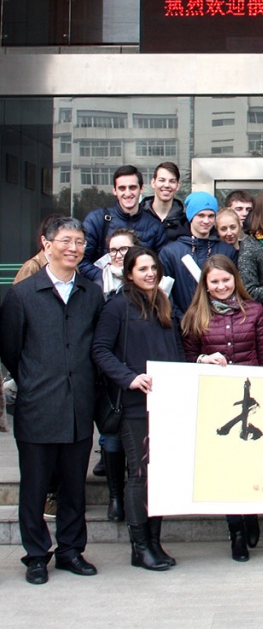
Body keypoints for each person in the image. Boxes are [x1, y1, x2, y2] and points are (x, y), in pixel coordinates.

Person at [0, 217, 104, 585]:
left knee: (73, 485)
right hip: (37, 406)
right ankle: (35, 556)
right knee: (35, 486)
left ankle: (71, 550)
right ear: (46, 244)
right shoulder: (23, 294)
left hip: (78, 406)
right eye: (65, 241)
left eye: (79, 241)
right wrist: (34, 380)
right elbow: (11, 350)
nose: (73, 248)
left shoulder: (92, 293)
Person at [92, 247, 184, 571]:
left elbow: (175, 350)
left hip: (165, 401)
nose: (149, 273)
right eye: (142, 268)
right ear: (128, 272)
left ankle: (155, 543)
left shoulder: (163, 303)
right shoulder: (117, 306)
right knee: (140, 474)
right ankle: (139, 546)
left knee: (157, 477)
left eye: (153, 268)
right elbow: (100, 350)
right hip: (133, 405)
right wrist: (129, 378)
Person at [182, 255, 263, 562]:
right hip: (218, 403)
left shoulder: (255, 311)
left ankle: (251, 515)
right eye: (215, 282)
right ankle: (235, 530)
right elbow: (187, 358)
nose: (221, 286)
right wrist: (202, 360)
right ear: (205, 286)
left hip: (253, 401)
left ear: (235, 279)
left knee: (249, 463)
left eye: (226, 280)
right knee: (225, 469)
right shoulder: (195, 315)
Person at [94, 228, 141, 523]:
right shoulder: (95, 282)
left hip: (141, 376)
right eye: (113, 250)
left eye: (124, 251)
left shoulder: (158, 285)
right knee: (110, 436)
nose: (117, 256)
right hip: (110, 377)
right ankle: (114, 496)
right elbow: (99, 346)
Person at [80, 165, 168, 282]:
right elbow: (81, 261)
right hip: (104, 294)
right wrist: (106, 278)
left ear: (141, 189)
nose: (127, 193)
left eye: (132, 187)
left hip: (141, 294)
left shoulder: (155, 226)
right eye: (122, 188)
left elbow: (161, 266)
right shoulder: (97, 220)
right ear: (114, 191)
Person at [160, 191, 238, 318]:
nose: (206, 221)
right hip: (183, 326)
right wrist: (182, 322)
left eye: (211, 216)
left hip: (220, 326)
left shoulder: (226, 251)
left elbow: (234, 291)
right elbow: (166, 294)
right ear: (191, 216)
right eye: (200, 215)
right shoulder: (171, 252)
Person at [141, 162, 188, 241]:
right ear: (153, 183)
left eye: (172, 181)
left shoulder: (185, 223)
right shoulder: (138, 216)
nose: (166, 185)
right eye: (162, 180)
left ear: (178, 186)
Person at [13, 213, 61, 284]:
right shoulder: (31, 267)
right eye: (65, 240)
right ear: (45, 241)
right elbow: (19, 293)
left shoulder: (71, 265)